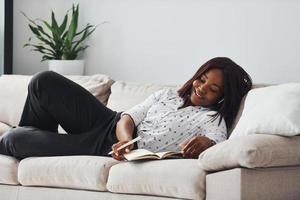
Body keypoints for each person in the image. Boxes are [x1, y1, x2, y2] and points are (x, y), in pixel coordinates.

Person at [0, 57, 252, 161]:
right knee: (43, 82)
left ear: (223, 97)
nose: (202, 88)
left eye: (213, 89)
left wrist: (205, 143)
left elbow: (218, 142)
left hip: (105, 147)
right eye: (203, 79)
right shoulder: (167, 94)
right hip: (110, 124)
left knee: (14, 139)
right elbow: (128, 117)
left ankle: (26, 142)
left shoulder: (211, 119)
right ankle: (34, 143)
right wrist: (126, 140)